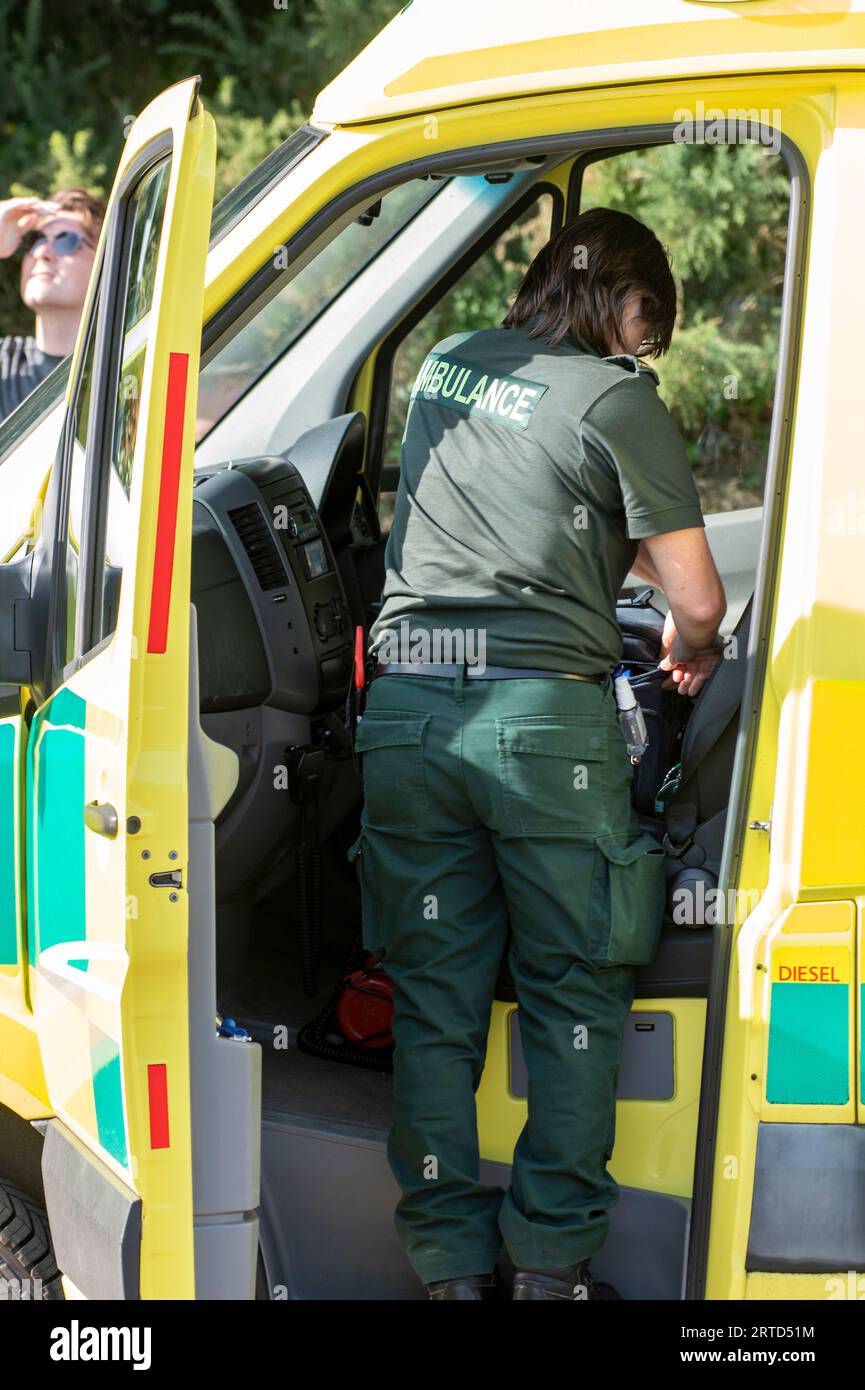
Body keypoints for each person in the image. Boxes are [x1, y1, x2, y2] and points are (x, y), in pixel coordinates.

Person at [351, 206, 726, 1301]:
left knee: (433, 998)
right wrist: (689, 647)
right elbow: (696, 600)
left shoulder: (453, 364)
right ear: (622, 295)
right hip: (539, 730)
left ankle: (449, 1269)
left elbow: (509, 513)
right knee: (571, 993)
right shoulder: (616, 398)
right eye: (647, 324)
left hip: (410, 713)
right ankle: (553, 1265)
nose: (643, 348)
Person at [0, 188, 105, 425]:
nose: (42, 252)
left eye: (66, 241)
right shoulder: (4, 364)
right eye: (35, 240)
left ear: (104, 265)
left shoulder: (127, 369)